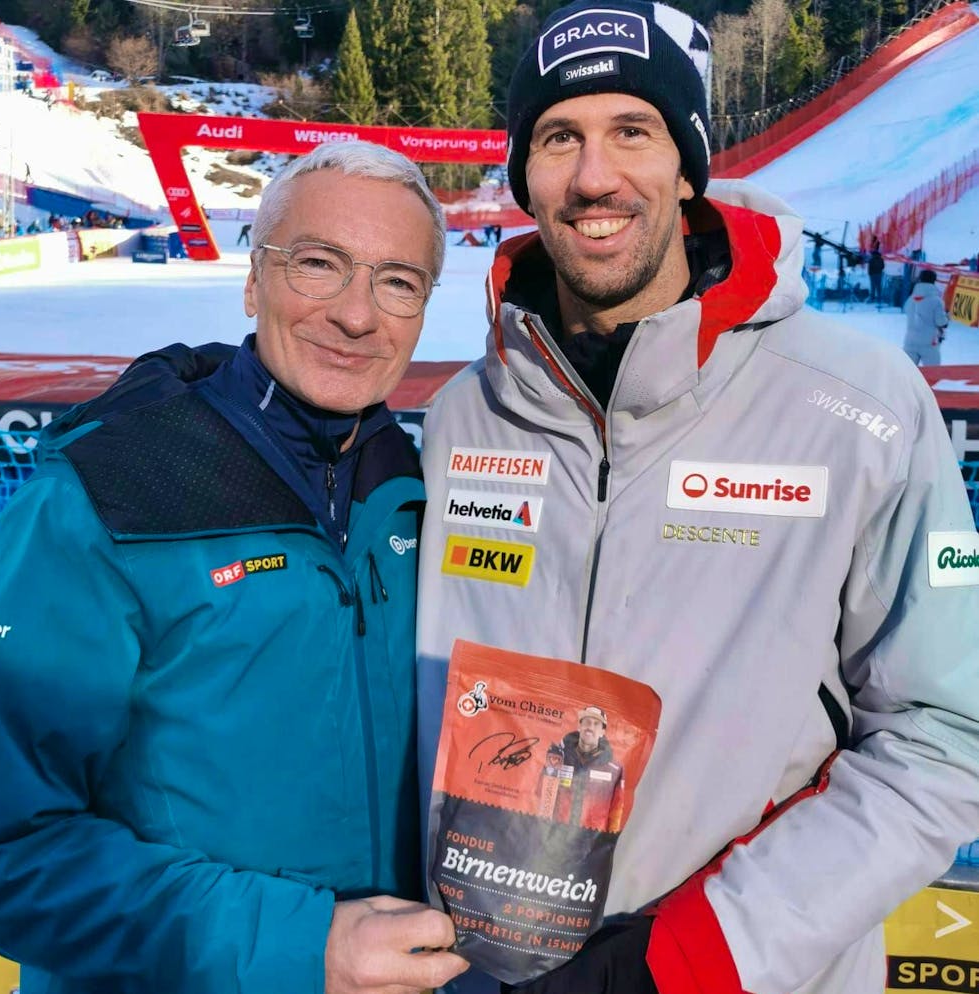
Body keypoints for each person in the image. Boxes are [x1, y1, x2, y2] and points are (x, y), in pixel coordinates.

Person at [415, 3, 979, 994]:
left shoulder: (862, 407)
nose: (594, 177)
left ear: (687, 167)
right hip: (484, 970)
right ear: (524, 176)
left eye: (633, 131)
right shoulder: (468, 415)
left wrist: (685, 960)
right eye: (559, 138)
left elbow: (946, 736)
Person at [0, 140, 469, 994]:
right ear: (253, 281)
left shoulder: (411, 487)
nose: (358, 315)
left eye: (398, 281)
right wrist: (300, 947)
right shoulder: (107, 493)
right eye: (319, 264)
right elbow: (3, 847)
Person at [553, 706, 624, 833]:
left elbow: (616, 812)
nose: (590, 727)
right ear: (579, 726)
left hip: (590, 840)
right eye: (587, 722)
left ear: (603, 732)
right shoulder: (557, 759)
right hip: (556, 837)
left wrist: (607, 840)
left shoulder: (614, 769)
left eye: (596, 724)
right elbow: (540, 797)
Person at [903, 267, 949, 366]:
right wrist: (947, 319)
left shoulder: (910, 299)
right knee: (932, 373)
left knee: (908, 372)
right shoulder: (936, 301)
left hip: (910, 341)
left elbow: (907, 311)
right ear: (934, 281)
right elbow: (940, 322)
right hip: (929, 342)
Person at [867, 238, 884, 303]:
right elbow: (883, 266)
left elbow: (870, 267)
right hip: (879, 274)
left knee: (873, 286)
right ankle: (879, 298)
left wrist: (870, 273)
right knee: (879, 286)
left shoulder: (871, 259)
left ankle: (872, 298)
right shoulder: (880, 258)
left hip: (873, 274)